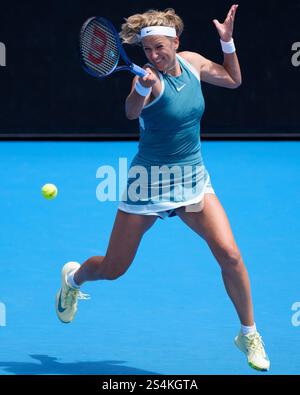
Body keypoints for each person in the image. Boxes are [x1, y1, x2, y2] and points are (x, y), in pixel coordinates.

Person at [55, 5, 270, 372]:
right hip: (147, 185)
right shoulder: (147, 79)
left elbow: (233, 80)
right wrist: (140, 88)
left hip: (193, 180)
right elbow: (131, 112)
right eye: (148, 50)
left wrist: (228, 43)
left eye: (159, 47)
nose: (153, 55)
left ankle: (248, 332)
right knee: (112, 268)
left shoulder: (192, 62)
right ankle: (73, 278)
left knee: (230, 255)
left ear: (175, 43)